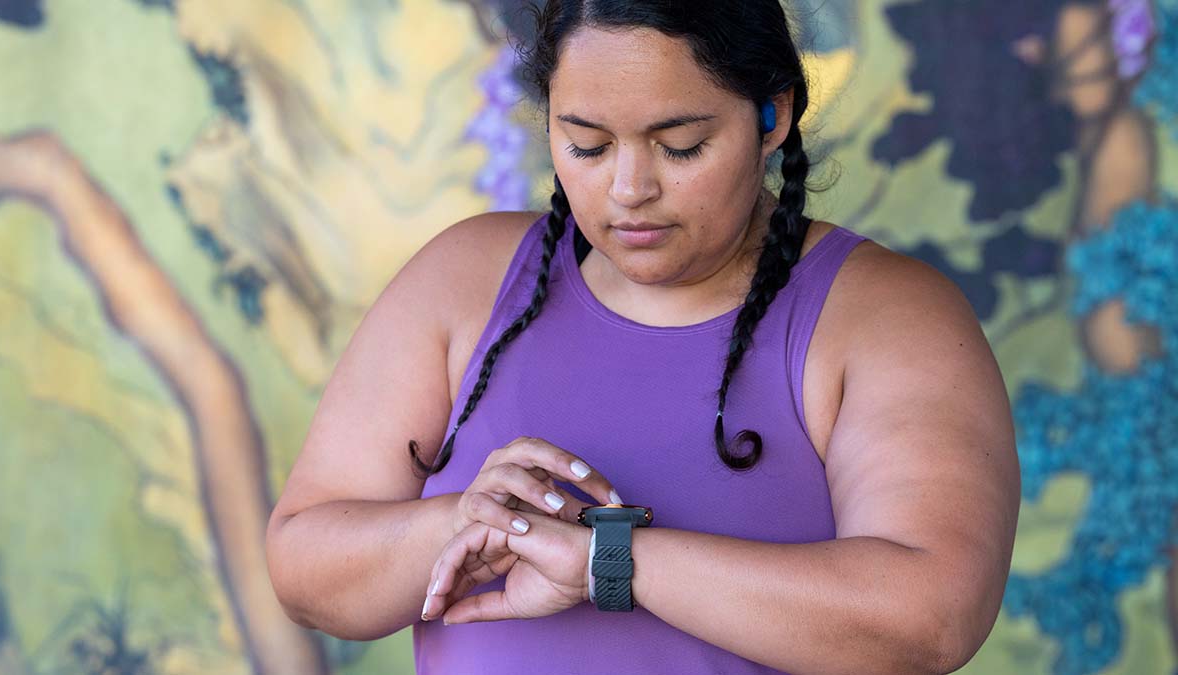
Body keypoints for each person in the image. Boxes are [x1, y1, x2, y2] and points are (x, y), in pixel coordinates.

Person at [264, 2, 1021, 673]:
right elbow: (304, 571)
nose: (628, 189)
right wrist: (459, 522)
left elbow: (932, 620)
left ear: (772, 115)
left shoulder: (883, 315)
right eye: (587, 145)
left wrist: (607, 560)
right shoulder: (462, 280)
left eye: (680, 144)